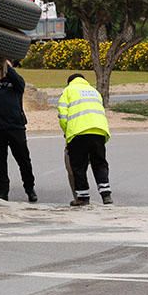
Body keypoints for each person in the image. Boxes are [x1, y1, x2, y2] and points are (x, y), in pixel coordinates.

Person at [0, 62, 37, 203]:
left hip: (15, 127)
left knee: (24, 160)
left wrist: (4, 63)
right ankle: (3, 191)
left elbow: (17, 79)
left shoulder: (16, 84)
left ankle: (30, 189)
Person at [57, 73, 112, 206]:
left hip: (78, 133)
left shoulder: (68, 91)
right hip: (99, 131)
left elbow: (63, 116)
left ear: (69, 82)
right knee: (99, 163)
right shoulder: (94, 91)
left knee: (78, 166)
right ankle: (106, 195)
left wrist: (67, 133)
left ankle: (82, 197)